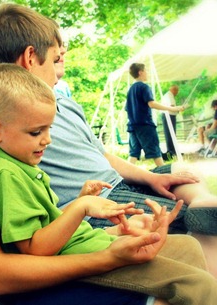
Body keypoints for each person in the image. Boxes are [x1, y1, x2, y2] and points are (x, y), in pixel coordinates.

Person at [0, 4, 190, 305]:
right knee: (176, 288)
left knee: (186, 254)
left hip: (11, 273)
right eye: (55, 60)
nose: (60, 74)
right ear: (30, 58)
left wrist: (110, 234)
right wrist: (108, 257)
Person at [0, 62, 217, 305]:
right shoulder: (7, 175)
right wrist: (82, 207)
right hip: (83, 263)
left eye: (49, 129)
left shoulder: (24, 164)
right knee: (196, 284)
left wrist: (87, 205)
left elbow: (48, 223)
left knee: (188, 246)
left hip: (95, 241)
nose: (47, 140)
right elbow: (33, 248)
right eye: (36, 132)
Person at [41, 45, 217, 277]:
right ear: (30, 56)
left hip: (119, 176)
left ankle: (202, 200)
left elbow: (103, 154)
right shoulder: (21, 116)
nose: (62, 61)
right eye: (56, 56)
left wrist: (152, 177)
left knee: (181, 169)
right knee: (193, 226)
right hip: (103, 198)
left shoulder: (66, 103)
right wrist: (173, 108)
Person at [125, 63, 185, 166]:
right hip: (145, 126)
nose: (147, 73)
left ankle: (123, 178)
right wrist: (172, 108)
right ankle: (165, 177)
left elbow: (127, 108)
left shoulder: (130, 90)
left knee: (133, 154)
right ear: (140, 72)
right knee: (155, 152)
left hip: (133, 127)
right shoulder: (144, 87)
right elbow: (151, 104)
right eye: (146, 70)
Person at [160, 85, 180, 158]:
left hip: (170, 116)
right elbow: (171, 106)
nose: (177, 93)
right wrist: (178, 108)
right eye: (177, 91)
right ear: (174, 90)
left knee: (172, 133)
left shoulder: (169, 95)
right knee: (169, 133)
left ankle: (173, 150)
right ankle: (171, 151)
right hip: (168, 116)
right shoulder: (168, 96)